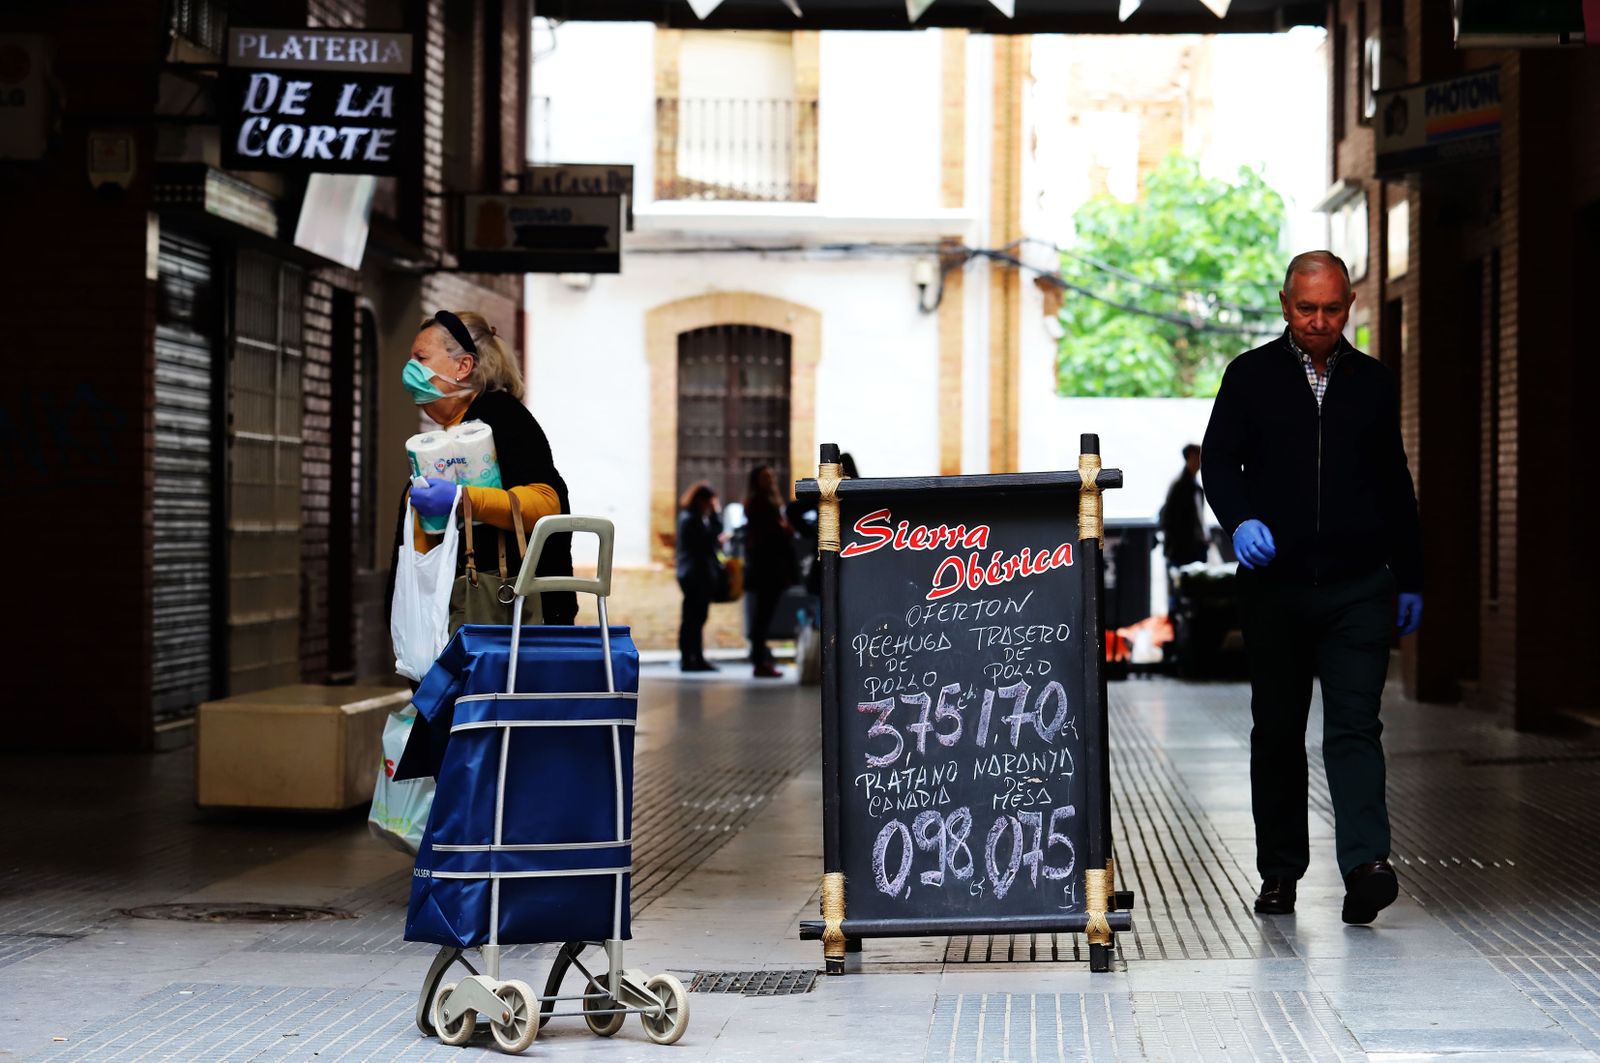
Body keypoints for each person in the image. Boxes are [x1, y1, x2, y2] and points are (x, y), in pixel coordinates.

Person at [1201, 251, 1423, 926]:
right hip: (1276, 588)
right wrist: (1239, 521)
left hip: (1359, 586)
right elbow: (1218, 461)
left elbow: (1396, 483)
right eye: (1306, 308)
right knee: (1278, 731)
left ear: (1350, 304)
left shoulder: (1375, 383)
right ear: (1284, 302)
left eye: (1331, 309)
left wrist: (1410, 576)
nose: (1319, 321)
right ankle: (1279, 870)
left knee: (1355, 726)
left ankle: (1366, 865)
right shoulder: (1250, 377)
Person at [387, 310, 577, 631]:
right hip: (474, 616)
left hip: (504, 615)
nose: (410, 370)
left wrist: (463, 499)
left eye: (421, 358)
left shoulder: (500, 416)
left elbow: (547, 503)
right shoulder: (457, 429)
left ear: (463, 366)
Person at [742, 463, 799, 679]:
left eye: (771, 476)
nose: (771, 480)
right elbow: (769, 534)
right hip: (767, 569)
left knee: (762, 617)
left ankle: (760, 658)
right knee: (762, 617)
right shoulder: (759, 503)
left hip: (770, 568)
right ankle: (759, 661)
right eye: (766, 477)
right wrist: (784, 530)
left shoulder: (767, 503)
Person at [676, 481, 723, 673]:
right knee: (692, 619)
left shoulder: (695, 518)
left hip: (698, 574)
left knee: (697, 618)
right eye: (709, 502)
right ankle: (689, 659)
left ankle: (696, 657)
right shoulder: (690, 519)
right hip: (694, 574)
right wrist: (716, 515)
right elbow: (705, 542)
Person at [1160, 444, 1209, 568]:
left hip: (1192, 547)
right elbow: (1169, 519)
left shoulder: (1192, 485)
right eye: (1199, 455)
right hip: (1184, 550)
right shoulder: (1181, 485)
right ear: (1191, 457)